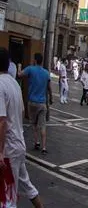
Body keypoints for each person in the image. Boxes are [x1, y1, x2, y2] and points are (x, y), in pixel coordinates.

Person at [0, 49, 44, 208]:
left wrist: (0, 152)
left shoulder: (0, 84)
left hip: (9, 149)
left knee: (7, 198)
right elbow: (22, 111)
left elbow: (2, 121)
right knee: (28, 187)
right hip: (19, 144)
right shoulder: (14, 84)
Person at [20, 54, 51, 154]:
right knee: (42, 125)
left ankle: (36, 141)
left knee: (33, 123)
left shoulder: (30, 69)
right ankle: (44, 147)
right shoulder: (46, 73)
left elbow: (19, 74)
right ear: (42, 61)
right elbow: (49, 87)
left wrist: (19, 66)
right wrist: (51, 98)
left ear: (34, 60)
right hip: (42, 103)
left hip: (32, 102)